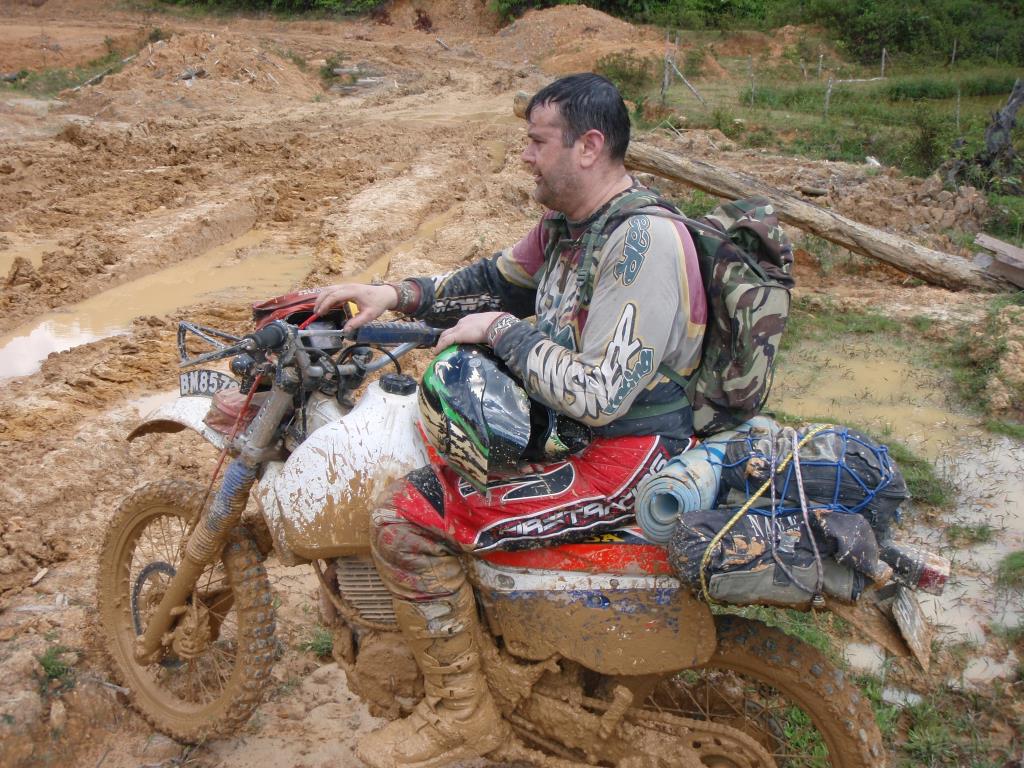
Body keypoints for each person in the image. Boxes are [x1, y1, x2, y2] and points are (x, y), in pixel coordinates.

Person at [313, 73, 707, 768]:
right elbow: (493, 281)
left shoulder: (641, 242)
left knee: (404, 520)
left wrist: (501, 331)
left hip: (626, 455)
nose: (525, 156)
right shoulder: (569, 227)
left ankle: (461, 716)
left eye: (537, 141)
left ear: (589, 146)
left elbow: (600, 393)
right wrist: (392, 294)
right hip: (570, 437)